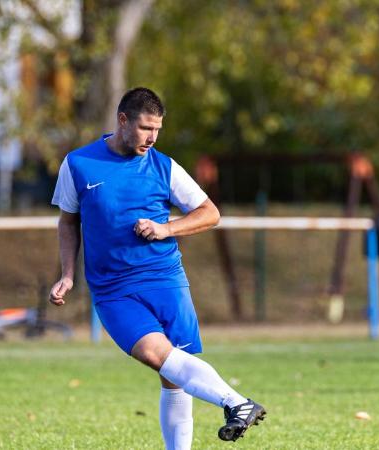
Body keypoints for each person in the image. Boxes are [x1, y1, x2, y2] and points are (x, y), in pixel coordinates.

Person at [50, 87, 265, 448]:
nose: (152, 137)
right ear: (122, 120)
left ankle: (226, 412)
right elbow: (68, 222)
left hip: (165, 280)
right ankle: (236, 402)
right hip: (113, 289)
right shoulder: (78, 164)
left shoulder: (163, 166)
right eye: (146, 128)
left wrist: (166, 228)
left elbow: (210, 213)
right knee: (155, 355)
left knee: (174, 377)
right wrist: (68, 274)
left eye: (158, 130)